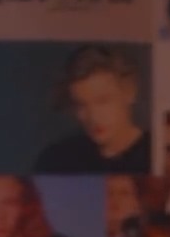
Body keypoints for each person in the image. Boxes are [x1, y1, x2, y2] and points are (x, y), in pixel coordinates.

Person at [35, 45, 151, 175]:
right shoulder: (55, 159)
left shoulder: (155, 153)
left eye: (103, 101)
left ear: (130, 92)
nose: (93, 117)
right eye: (81, 105)